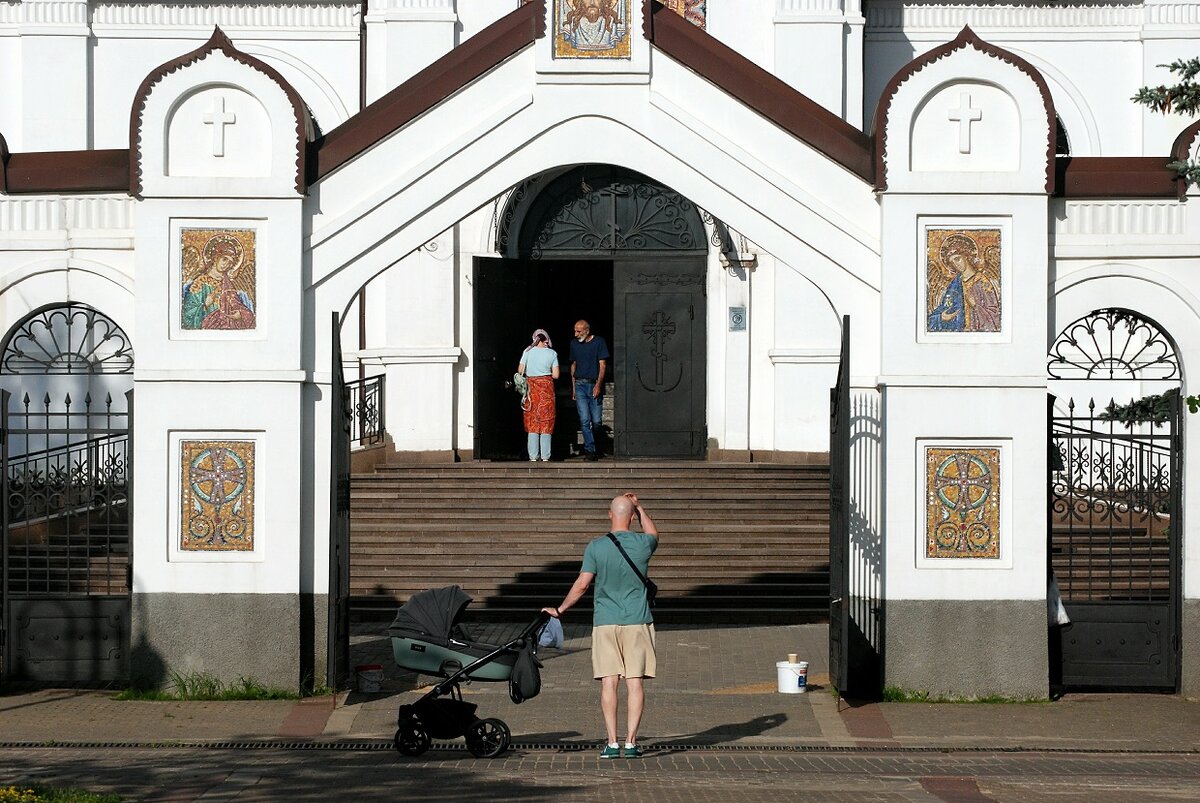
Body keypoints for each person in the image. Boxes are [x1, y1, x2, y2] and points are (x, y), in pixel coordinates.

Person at [542, 492, 658, 759]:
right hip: (637, 622)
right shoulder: (643, 544)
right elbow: (654, 533)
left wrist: (559, 610)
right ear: (631, 517)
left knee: (609, 682)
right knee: (635, 682)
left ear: (609, 514)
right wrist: (640, 507)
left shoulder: (596, 546)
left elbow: (582, 585)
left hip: (605, 622)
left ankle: (612, 743)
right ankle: (631, 743)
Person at [927, 233, 1000, 333]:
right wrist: (941, 317)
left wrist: (975, 306)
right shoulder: (954, 285)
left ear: (966, 256)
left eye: (957, 259)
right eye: (952, 262)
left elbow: (995, 315)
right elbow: (944, 308)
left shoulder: (982, 282)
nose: (956, 264)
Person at [569, 319, 610, 460]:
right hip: (580, 384)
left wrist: (598, 385)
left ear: (587, 331)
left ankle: (598, 448)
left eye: (579, 331)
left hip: (593, 384)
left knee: (597, 421)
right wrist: (573, 387)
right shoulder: (574, 344)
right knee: (585, 419)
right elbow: (573, 365)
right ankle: (590, 450)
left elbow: (602, 365)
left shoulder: (599, 342)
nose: (576, 334)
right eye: (575, 330)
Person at [518, 329, 560, 462]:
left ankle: (533, 456)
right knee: (546, 422)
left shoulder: (527, 351)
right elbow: (556, 375)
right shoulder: (552, 353)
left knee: (532, 423)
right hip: (546, 390)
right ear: (546, 339)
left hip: (531, 390)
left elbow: (520, 370)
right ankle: (546, 456)